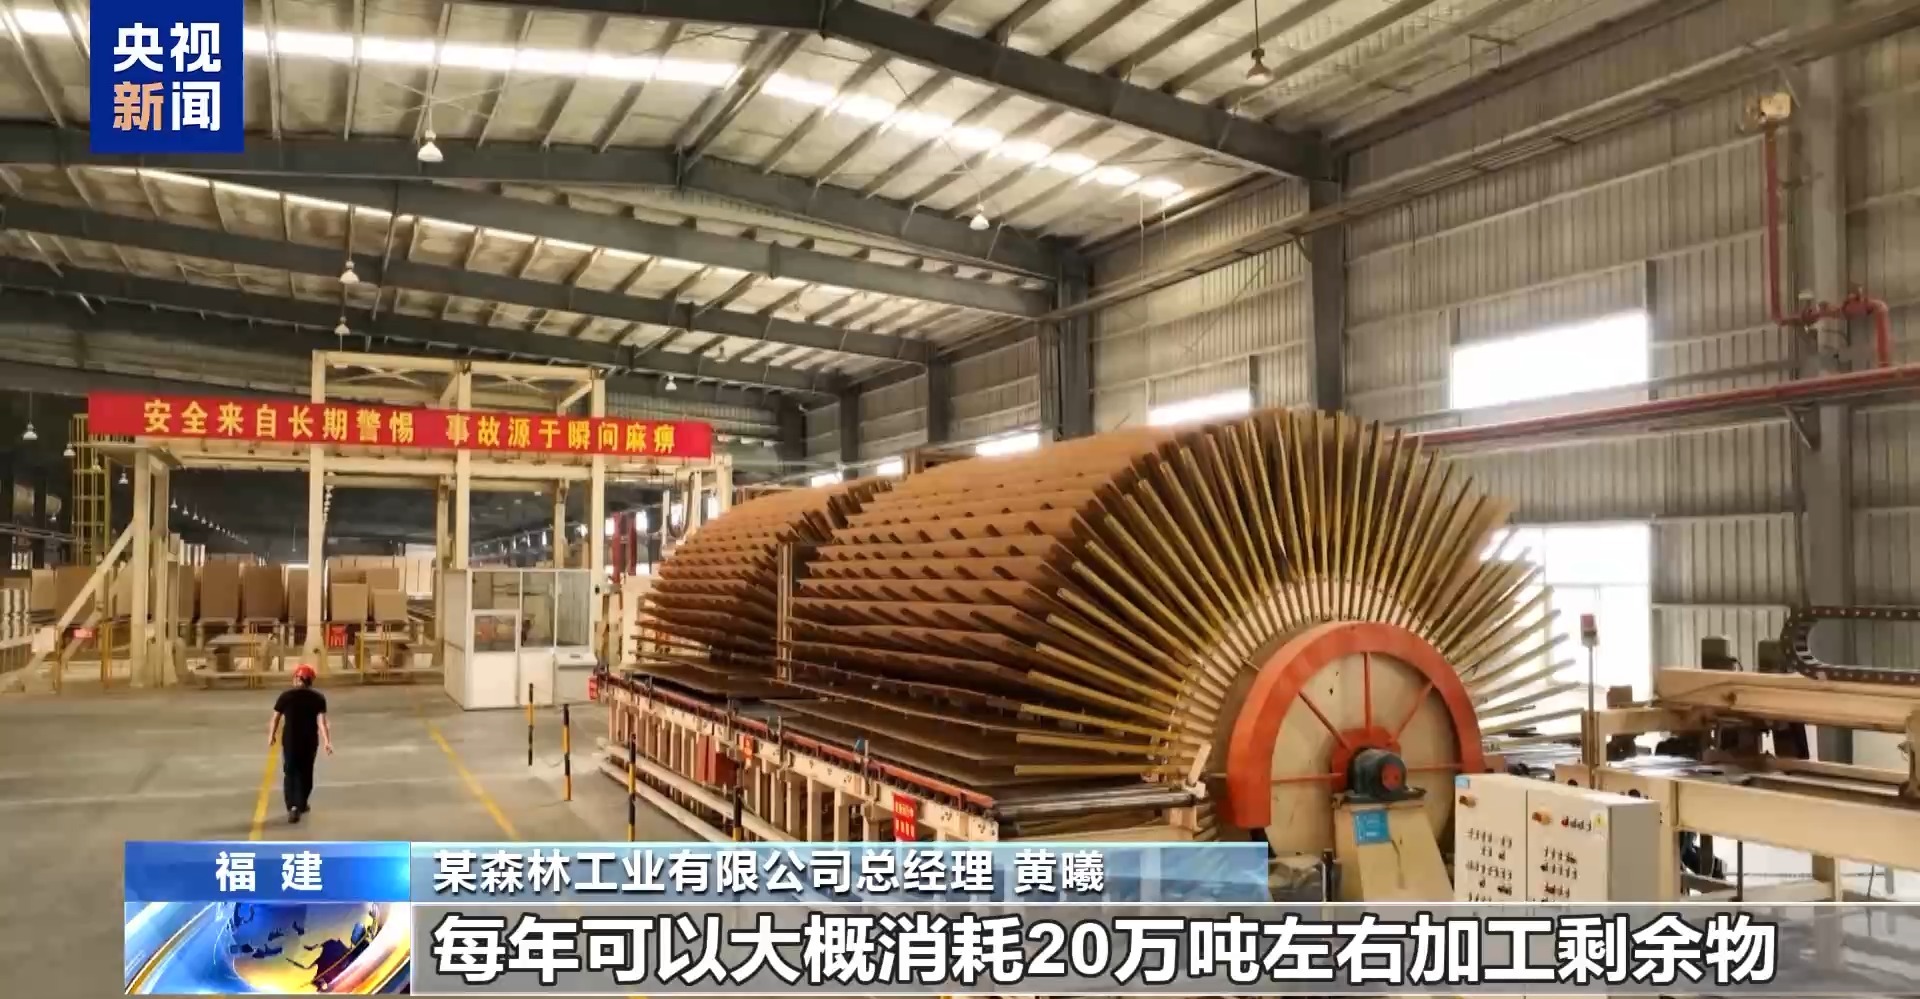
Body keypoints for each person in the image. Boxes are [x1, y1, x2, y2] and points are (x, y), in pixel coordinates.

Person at [268, 664, 332, 823]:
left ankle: (293, 807)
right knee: (306, 772)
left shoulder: (286, 696)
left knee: (291, 773)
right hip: (309, 742)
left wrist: (271, 735)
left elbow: (275, 718)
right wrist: (327, 741)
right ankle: (301, 803)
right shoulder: (318, 698)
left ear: (298, 678)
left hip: (290, 741)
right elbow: (322, 723)